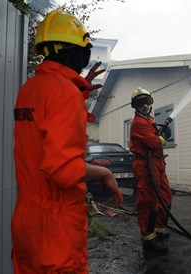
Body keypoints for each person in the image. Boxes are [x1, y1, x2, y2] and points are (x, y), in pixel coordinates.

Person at [12, 10, 123, 274]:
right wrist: (104, 172)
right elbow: (62, 170)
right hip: (55, 226)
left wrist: (79, 89)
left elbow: (48, 125)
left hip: (26, 222)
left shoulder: (31, 89)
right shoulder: (63, 92)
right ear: (79, 51)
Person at [129, 87, 172, 253]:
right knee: (149, 202)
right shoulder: (139, 123)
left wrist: (161, 136)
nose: (145, 106)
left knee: (165, 196)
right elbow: (154, 143)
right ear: (135, 106)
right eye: (140, 103)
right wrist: (165, 136)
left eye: (147, 102)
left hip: (158, 164)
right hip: (146, 167)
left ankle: (159, 229)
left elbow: (155, 143)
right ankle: (149, 239)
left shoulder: (149, 121)